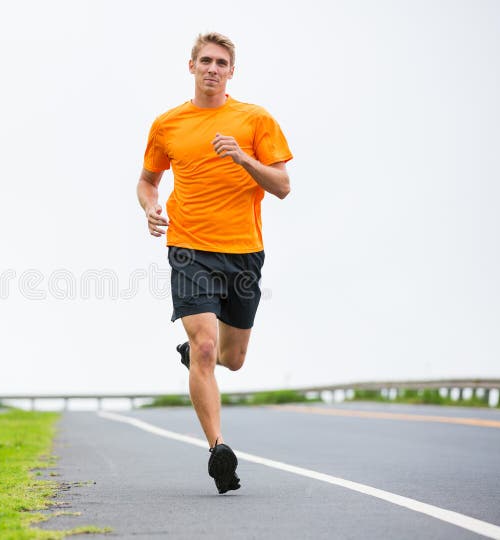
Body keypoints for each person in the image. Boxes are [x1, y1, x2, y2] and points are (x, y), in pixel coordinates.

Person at [136, 32, 292, 494]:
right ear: (191, 66)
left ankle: (195, 363)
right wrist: (149, 207)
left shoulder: (255, 119)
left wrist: (242, 157)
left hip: (244, 252)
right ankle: (218, 448)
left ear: (231, 71)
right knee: (205, 348)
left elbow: (282, 186)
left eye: (220, 62)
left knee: (233, 359)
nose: (212, 68)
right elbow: (147, 181)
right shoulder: (168, 125)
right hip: (188, 248)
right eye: (204, 60)